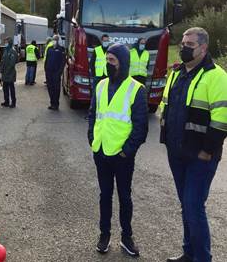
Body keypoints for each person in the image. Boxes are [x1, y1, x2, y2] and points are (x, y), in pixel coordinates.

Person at [160, 28, 227, 262]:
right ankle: (189, 253)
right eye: (183, 43)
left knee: (194, 207)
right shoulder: (178, 73)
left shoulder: (216, 76)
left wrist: (207, 151)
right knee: (186, 206)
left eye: (190, 44)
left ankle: (202, 258)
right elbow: (166, 106)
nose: (184, 47)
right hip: (177, 151)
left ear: (203, 48)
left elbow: (222, 120)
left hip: (201, 156)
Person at [87, 43, 148, 257]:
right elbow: (93, 113)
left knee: (124, 196)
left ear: (122, 63)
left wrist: (126, 151)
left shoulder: (136, 89)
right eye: (107, 60)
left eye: (112, 60)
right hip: (101, 152)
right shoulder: (101, 85)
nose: (107, 64)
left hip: (122, 156)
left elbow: (141, 127)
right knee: (105, 195)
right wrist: (91, 138)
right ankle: (104, 234)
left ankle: (126, 237)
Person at [45, 36, 66, 110]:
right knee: (50, 88)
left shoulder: (61, 49)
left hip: (56, 73)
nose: (54, 41)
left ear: (58, 41)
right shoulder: (49, 49)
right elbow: (47, 59)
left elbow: (63, 61)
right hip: (49, 72)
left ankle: (56, 104)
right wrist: (45, 69)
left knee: (56, 89)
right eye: (53, 40)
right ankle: (52, 103)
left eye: (55, 40)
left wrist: (59, 72)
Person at [0, 37, 18, 108]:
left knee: (11, 88)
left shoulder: (12, 51)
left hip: (10, 73)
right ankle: (6, 101)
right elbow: (3, 61)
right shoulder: (6, 50)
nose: (5, 43)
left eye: (6, 42)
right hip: (5, 73)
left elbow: (12, 63)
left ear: (9, 42)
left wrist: (6, 71)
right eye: (5, 42)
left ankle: (13, 102)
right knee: (5, 88)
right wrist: (1, 69)